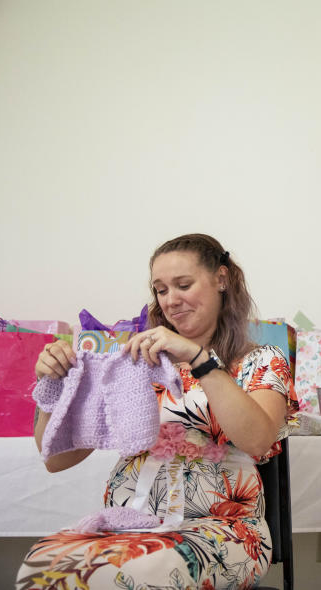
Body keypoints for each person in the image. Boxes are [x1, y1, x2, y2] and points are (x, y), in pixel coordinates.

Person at [16, 234, 298, 590]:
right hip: (127, 522)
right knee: (41, 569)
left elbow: (258, 439)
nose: (171, 300)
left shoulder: (261, 361)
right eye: (161, 290)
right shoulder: (136, 365)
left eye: (183, 285)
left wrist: (198, 359)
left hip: (224, 530)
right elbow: (56, 460)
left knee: (128, 575)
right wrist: (52, 390)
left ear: (221, 279)